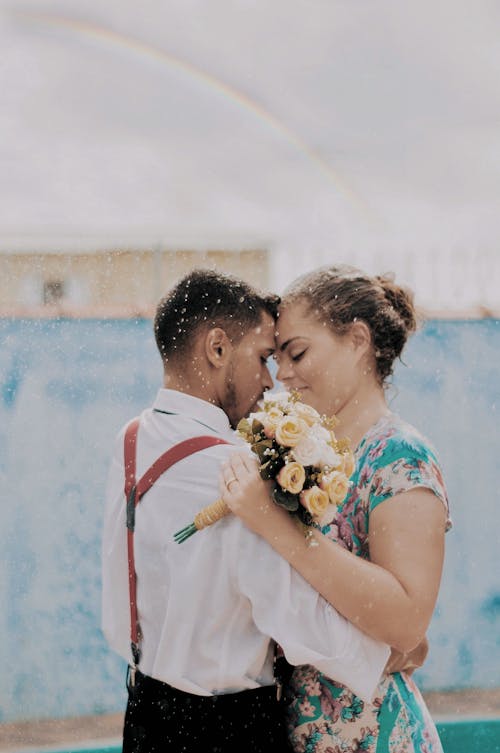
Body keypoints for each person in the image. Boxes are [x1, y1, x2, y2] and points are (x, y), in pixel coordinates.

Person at [101, 268, 390, 753]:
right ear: (217, 349)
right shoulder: (233, 472)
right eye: (261, 357)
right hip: (225, 729)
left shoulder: (131, 438)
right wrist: (384, 655)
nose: (270, 380)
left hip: (144, 712)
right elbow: (294, 614)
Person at [221, 265, 451, 753]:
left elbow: (407, 621)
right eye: (277, 358)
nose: (282, 375)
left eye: (298, 352)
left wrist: (275, 524)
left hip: (372, 736)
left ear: (358, 340)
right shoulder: (299, 454)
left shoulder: (399, 457)